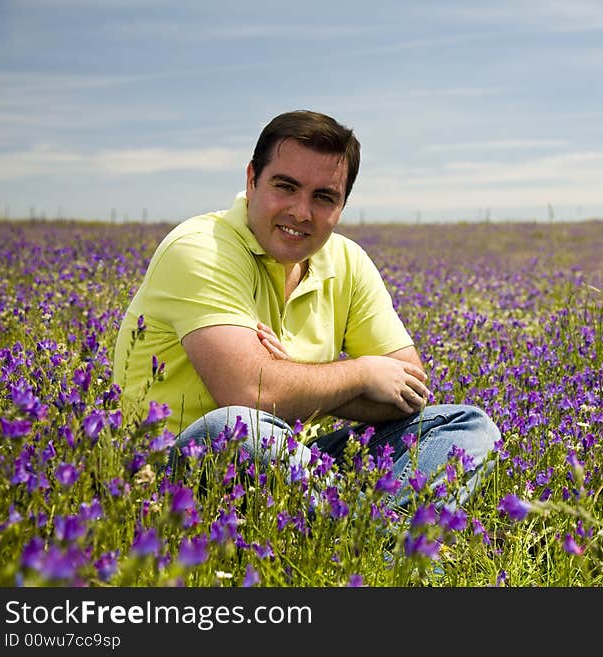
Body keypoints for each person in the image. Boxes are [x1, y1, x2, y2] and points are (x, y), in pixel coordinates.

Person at [113, 109, 500, 508]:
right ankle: (382, 537)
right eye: (286, 187)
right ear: (251, 180)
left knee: (469, 426)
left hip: (296, 463)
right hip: (174, 468)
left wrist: (289, 376)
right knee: (238, 427)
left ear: (342, 205)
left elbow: (409, 389)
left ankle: (360, 532)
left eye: (323, 197)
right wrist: (362, 373)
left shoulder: (347, 261)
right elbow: (248, 395)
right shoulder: (201, 248)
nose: (301, 212)